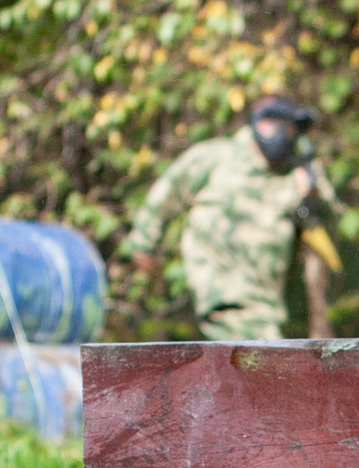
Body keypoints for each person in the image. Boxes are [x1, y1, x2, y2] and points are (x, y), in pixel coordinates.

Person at [120, 94, 340, 340]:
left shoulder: (298, 174)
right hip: (225, 297)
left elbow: (333, 229)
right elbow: (164, 196)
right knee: (264, 366)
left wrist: (312, 192)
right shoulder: (216, 158)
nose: (280, 134)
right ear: (255, 123)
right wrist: (144, 247)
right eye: (272, 123)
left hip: (273, 306)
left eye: (288, 128)